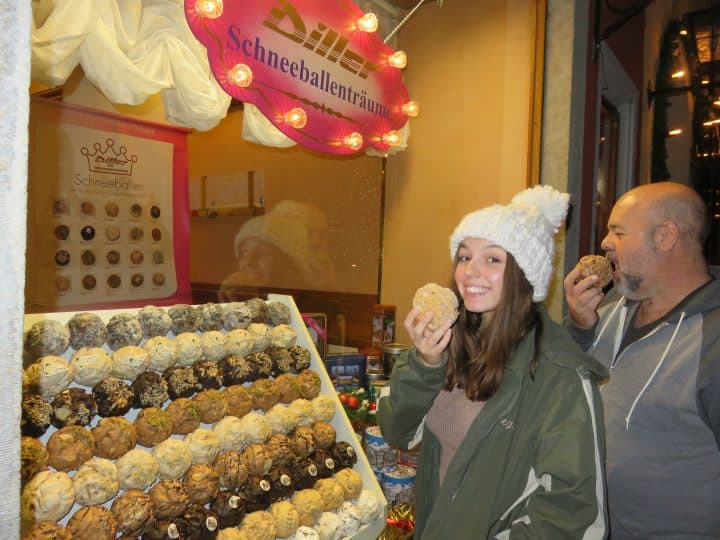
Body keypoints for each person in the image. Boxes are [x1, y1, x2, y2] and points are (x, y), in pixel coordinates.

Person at [378, 185, 608, 539]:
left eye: (493, 259)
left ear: (524, 274)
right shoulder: (449, 340)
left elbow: (573, 511)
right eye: (465, 256)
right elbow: (398, 432)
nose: (471, 271)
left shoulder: (558, 374)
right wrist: (425, 365)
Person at [563, 181, 720, 539]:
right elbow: (551, 386)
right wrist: (578, 329)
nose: (604, 243)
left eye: (618, 231)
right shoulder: (604, 310)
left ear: (666, 236)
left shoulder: (713, 341)